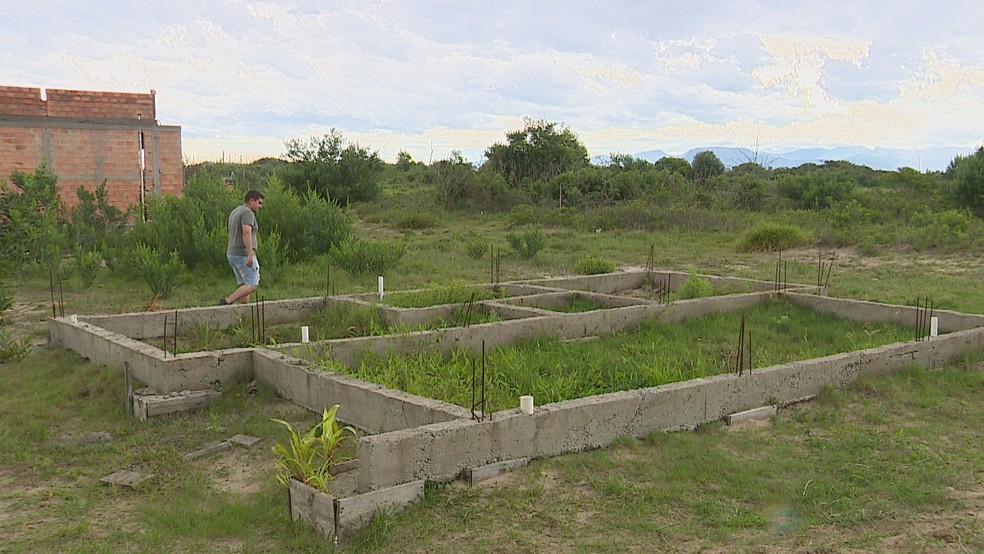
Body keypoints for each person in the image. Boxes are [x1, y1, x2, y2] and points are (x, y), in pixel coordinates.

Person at [219, 189, 264, 305]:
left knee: (245, 284)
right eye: (259, 203)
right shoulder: (247, 213)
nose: (260, 206)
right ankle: (226, 301)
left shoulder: (236, 211)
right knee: (253, 283)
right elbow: (246, 233)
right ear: (251, 200)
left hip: (232, 252)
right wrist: (250, 254)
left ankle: (244, 311)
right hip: (243, 254)